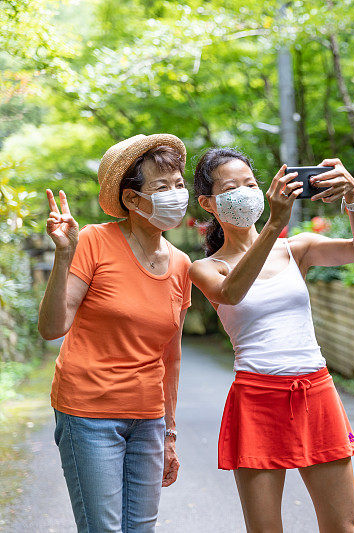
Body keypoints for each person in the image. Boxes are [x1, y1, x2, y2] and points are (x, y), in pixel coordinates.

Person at [189, 148, 354, 533]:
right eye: (230, 187)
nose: (245, 191)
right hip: (256, 399)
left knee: (342, 526)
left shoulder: (297, 248)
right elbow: (232, 293)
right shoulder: (207, 268)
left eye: (250, 183)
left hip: (315, 391)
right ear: (208, 203)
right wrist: (274, 224)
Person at [38, 134, 193, 532]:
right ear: (131, 199)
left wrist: (169, 431)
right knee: (103, 529)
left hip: (148, 419)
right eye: (161, 187)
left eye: (179, 184)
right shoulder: (93, 241)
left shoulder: (180, 264)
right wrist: (64, 255)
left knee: (141, 528)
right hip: (88, 413)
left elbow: (170, 356)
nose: (176, 195)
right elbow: (52, 327)